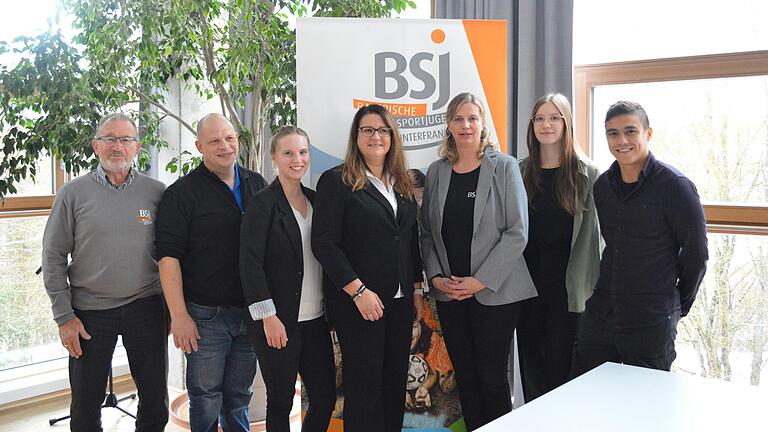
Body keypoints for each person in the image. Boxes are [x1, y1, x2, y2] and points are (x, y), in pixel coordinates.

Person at [42, 113, 168, 432]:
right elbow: (53, 256)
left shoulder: (157, 192)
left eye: (126, 139)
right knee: (85, 405)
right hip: (88, 314)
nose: (118, 146)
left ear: (137, 147)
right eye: (110, 139)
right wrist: (64, 317)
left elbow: (173, 255)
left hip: (147, 307)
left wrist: (173, 310)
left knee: (155, 400)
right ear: (96, 145)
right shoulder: (73, 194)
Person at [420, 92, 536, 430]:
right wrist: (436, 277)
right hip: (450, 293)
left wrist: (480, 280)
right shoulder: (437, 171)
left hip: (495, 294)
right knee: (466, 380)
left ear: (483, 124)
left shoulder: (504, 166)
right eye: (458, 119)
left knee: (491, 380)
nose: (466, 125)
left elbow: (518, 232)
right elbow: (426, 231)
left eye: (472, 118)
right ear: (449, 126)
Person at [311, 104, 424, 432]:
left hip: (400, 303)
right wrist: (358, 291)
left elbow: (409, 241)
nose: (376, 136)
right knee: (364, 391)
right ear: (356, 136)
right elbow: (324, 244)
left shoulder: (402, 183)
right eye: (368, 130)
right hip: (359, 305)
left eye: (383, 130)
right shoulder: (337, 181)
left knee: (392, 386)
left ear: (392, 136)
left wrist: (416, 290)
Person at [574, 101, 708, 375]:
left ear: (648, 134)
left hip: (651, 317)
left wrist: (676, 305)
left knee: (646, 404)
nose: (621, 140)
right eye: (613, 133)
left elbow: (696, 253)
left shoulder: (675, 186)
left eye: (630, 131)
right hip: (603, 311)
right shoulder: (602, 187)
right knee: (587, 394)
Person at [155, 113, 267, 432]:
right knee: (205, 397)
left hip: (251, 312)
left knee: (239, 395)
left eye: (229, 138)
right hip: (205, 316)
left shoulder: (255, 183)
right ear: (199, 146)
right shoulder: (181, 194)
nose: (224, 145)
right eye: (215, 140)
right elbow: (168, 258)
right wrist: (179, 315)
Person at [240, 126, 335, 432]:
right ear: (274, 158)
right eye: (289, 153)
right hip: (279, 322)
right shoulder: (261, 204)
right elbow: (250, 264)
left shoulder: (318, 201)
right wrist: (268, 317)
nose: (297, 159)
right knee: (280, 402)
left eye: (303, 152)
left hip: (317, 320)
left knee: (324, 399)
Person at [516, 93, 602, 402]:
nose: (546, 124)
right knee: (532, 376)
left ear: (566, 123)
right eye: (539, 118)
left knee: (564, 378)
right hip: (526, 291)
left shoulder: (588, 175)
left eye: (554, 117)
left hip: (569, 293)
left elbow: (598, 240)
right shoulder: (518, 171)